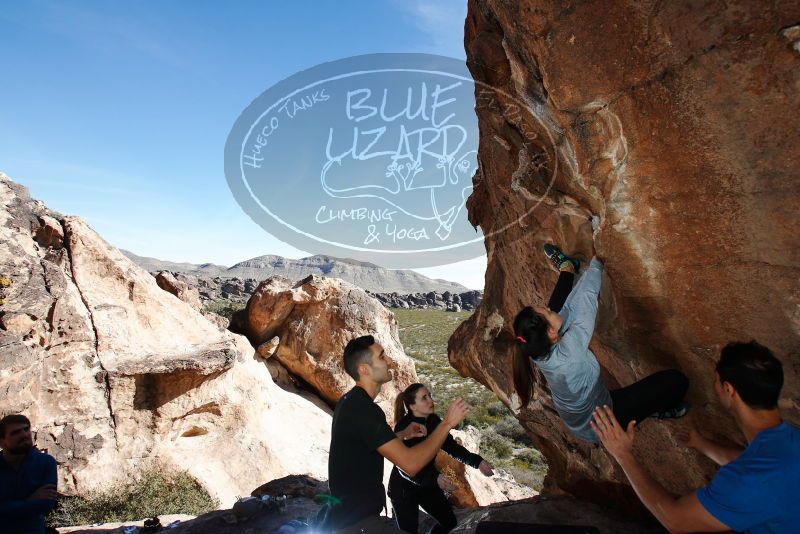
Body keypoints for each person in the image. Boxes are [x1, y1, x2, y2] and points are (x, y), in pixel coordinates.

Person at [592, 340, 799, 533]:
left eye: (716, 380)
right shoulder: (789, 439)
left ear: (728, 390)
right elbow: (750, 463)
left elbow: (675, 520)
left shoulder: (751, 481)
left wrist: (623, 454)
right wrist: (701, 443)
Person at [512, 244, 689, 443]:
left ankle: (567, 268)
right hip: (601, 424)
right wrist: (596, 265)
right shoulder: (570, 350)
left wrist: (550, 314)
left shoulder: (534, 348)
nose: (548, 308)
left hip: (581, 411)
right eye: (547, 312)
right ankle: (662, 409)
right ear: (553, 334)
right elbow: (587, 302)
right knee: (677, 381)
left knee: (556, 311)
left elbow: (564, 310)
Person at [327, 335, 471, 533]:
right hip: (357, 523)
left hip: (346, 516)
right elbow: (411, 465)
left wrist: (402, 434)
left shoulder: (350, 401)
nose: (389, 361)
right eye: (382, 356)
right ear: (364, 369)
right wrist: (446, 423)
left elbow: (365, 443)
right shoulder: (363, 409)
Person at [389, 384, 494, 533]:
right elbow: (405, 467)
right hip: (404, 489)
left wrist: (478, 462)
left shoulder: (433, 420)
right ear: (412, 406)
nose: (430, 400)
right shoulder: (404, 427)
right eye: (424, 398)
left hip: (428, 483)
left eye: (430, 395)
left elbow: (451, 446)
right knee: (408, 531)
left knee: (449, 523)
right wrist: (435, 479)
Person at [0, 414, 58, 534]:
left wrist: (9, 506)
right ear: (2, 442)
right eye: (15, 432)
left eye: (26, 429)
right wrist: (30, 500)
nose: (24, 434)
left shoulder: (46, 463)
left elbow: (46, 505)